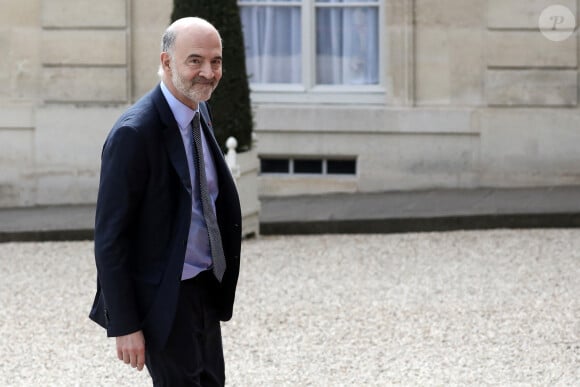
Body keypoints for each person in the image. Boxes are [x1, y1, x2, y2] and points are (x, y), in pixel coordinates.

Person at [89, 17, 242, 386]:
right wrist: (124, 324)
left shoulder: (198, 109)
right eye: (195, 61)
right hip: (163, 298)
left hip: (204, 286)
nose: (208, 72)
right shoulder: (133, 134)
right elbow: (111, 239)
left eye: (216, 61)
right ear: (167, 61)